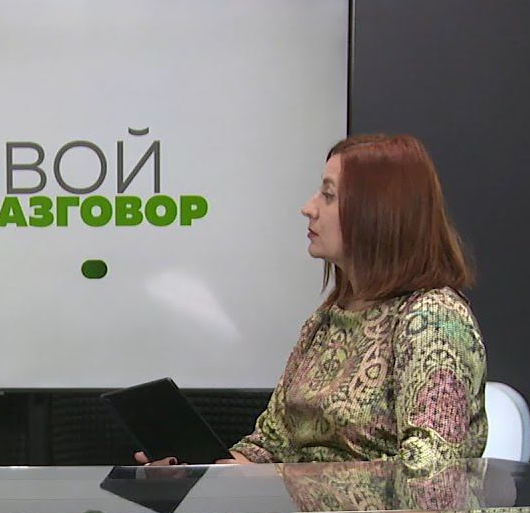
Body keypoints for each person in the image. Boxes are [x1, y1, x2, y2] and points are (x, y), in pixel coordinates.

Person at [140, 134, 486, 472]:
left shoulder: (433, 319)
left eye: (329, 196)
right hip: (296, 510)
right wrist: (199, 468)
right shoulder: (327, 319)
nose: (308, 208)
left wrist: (283, 481)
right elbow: (271, 445)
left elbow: (431, 472)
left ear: (377, 212)